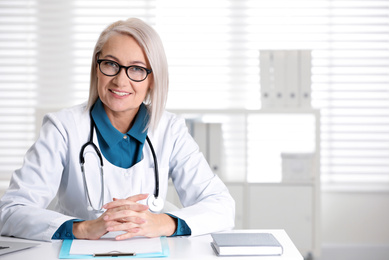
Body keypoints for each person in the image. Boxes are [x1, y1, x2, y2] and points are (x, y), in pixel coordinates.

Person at [0, 18, 235, 242]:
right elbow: (11, 211)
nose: (121, 81)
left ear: (153, 79)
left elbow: (222, 206)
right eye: (111, 64)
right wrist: (83, 228)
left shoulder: (170, 129)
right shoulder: (63, 128)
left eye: (136, 69)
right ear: (96, 68)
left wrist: (162, 223)